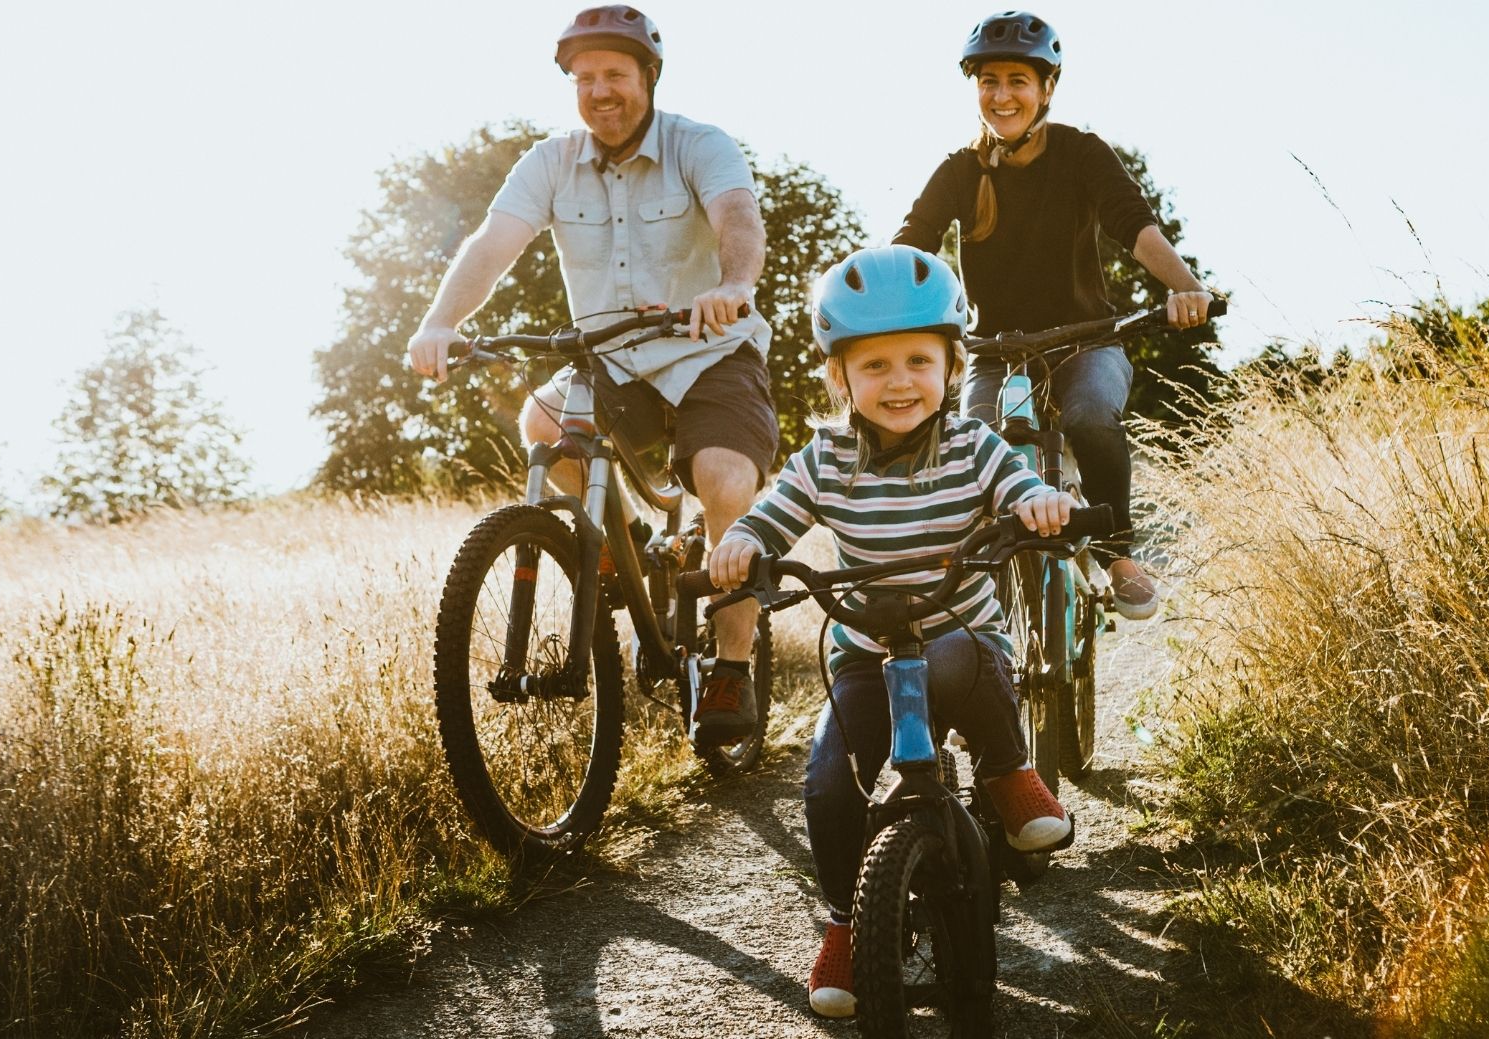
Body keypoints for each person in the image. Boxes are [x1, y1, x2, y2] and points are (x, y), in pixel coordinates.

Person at [706, 245, 1075, 1019]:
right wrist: (745, 542)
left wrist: (1037, 503)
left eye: (918, 359)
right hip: (866, 658)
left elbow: (1017, 480)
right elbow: (775, 513)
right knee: (828, 781)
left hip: (955, 646)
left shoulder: (974, 445)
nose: (899, 381)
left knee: (964, 651)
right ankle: (846, 919)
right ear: (840, 377)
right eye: (874, 366)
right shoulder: (826, 456)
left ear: (950, 364)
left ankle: (1006, 769)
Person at [406, 5, 774, 744]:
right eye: (584, 77)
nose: (599, 90)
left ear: (649, 76)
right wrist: (438, 320)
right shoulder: (550, 162)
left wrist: (732, 284)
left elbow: (738, 215)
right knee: (543, 424)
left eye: (615, 74)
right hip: (609, 360)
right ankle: (630, 554)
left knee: (725, 485)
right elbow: (491, 243)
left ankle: (732, 666)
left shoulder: (699, 145)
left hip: (708, 354)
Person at [892, 11, 1216, 621]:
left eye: (1018, 80)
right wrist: (884, 310)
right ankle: (969, 590)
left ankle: (1119, 554)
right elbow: (914, 243)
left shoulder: (1081, 153)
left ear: (1047, 88)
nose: (1002, 95)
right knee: (973, 447)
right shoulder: (960, 170)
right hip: (995, 351)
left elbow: (1132, 224)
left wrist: (1187, 288)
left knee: (1092, 416)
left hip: (1088, 340)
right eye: (989, 81)